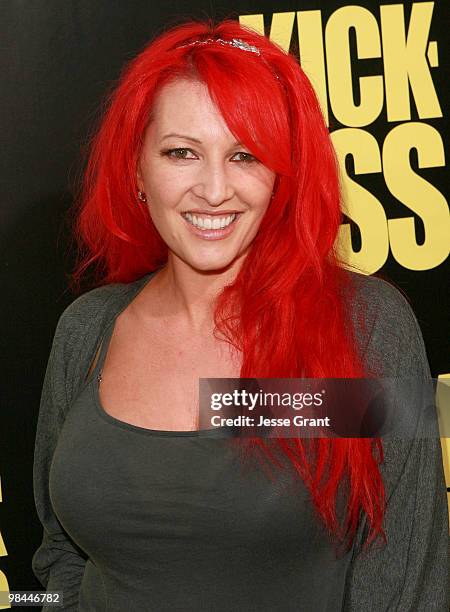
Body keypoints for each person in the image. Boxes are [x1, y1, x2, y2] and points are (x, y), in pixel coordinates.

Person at [31, 18, 448, 612]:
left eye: (245, 155)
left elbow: (408, 573)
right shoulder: (87, 329)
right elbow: (58, 553)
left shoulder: (366, 326)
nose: (214, 189)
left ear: (282, 175)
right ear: (136, 170)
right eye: (181, 153)